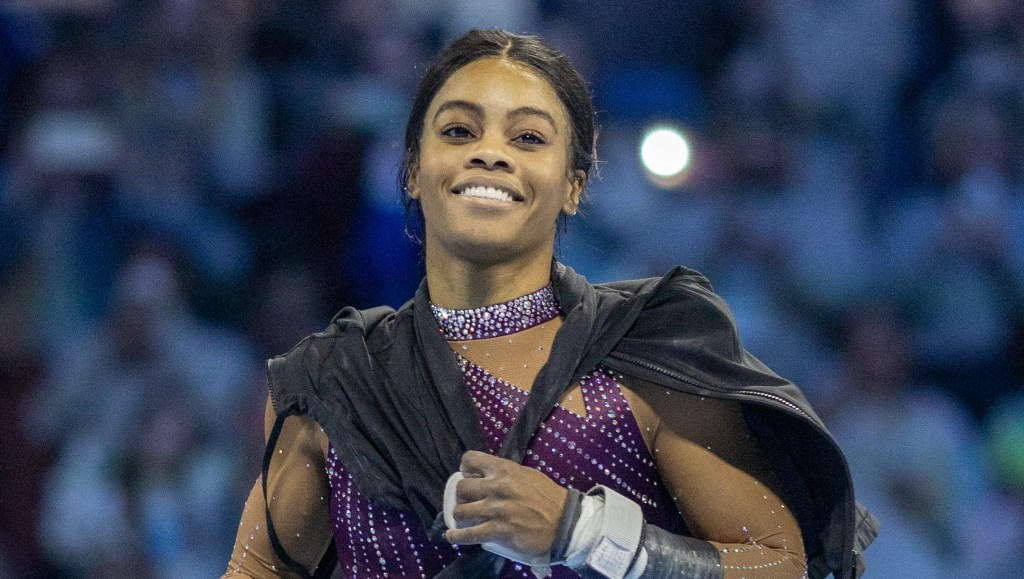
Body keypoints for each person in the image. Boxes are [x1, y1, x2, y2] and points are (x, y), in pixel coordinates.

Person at [224, 29, 877, 579]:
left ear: (575, 184)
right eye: (458, 129)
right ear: (413, 170)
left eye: (529, 137)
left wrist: (587, 531)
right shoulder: (332, 385)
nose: (490, 152)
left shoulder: (644, 355)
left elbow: (779, 563)